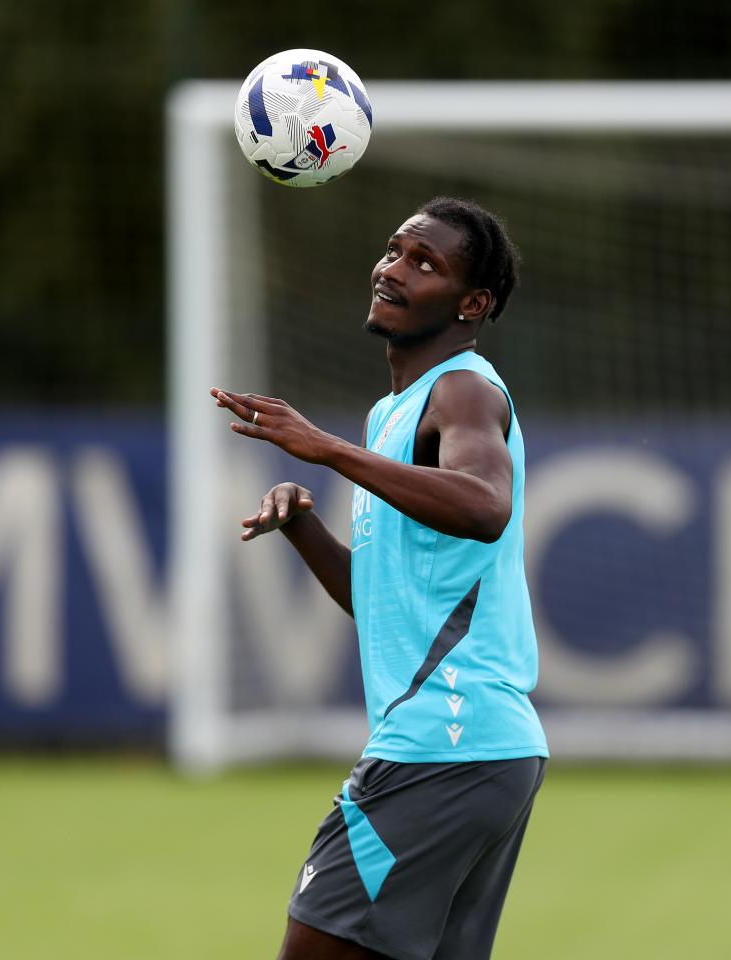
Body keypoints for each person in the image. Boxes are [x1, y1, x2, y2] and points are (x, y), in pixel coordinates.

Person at [211, 197, 548, 960]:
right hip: (481, 752)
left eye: (424, 262)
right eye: (394, 250)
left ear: (473, 304)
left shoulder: (463, 390)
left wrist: (325, 451)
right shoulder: (390, 414)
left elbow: (487, 505)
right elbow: (388, 605)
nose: (393, 269)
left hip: (445, 744)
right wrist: (304, 526)